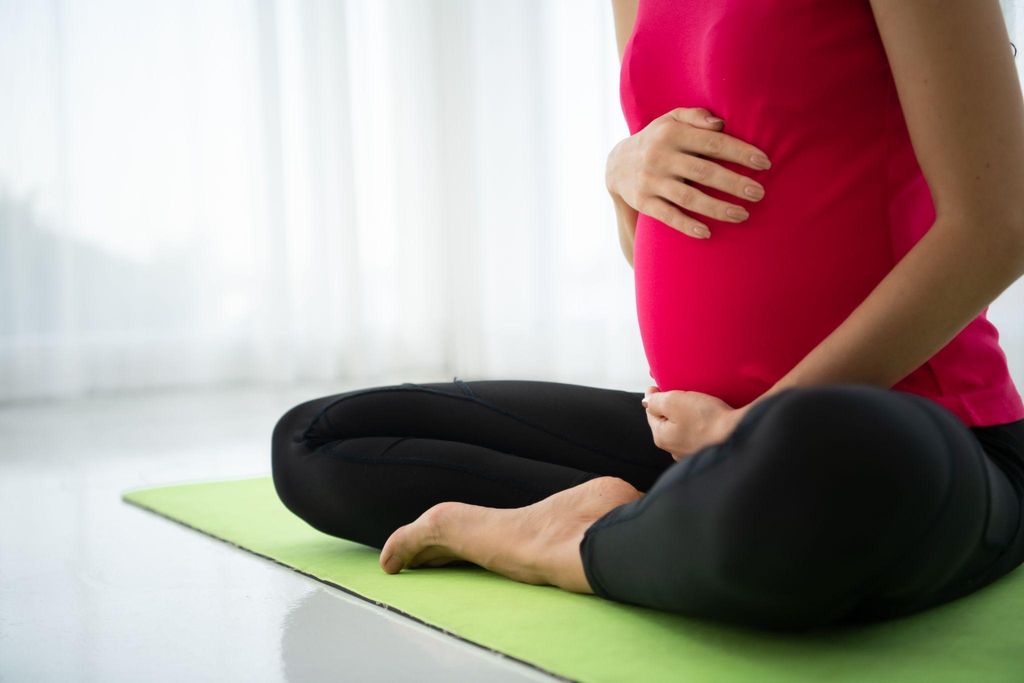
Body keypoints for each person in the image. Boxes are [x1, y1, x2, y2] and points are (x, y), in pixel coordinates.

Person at [271, 0, 1024, 630]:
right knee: (317, 443)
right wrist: (619, 175)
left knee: (812, 459)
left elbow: (998, 226)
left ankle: (563, 545)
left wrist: (755, 425)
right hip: (687, 436)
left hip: (903, 437)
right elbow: (667, 242)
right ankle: (647, 526)